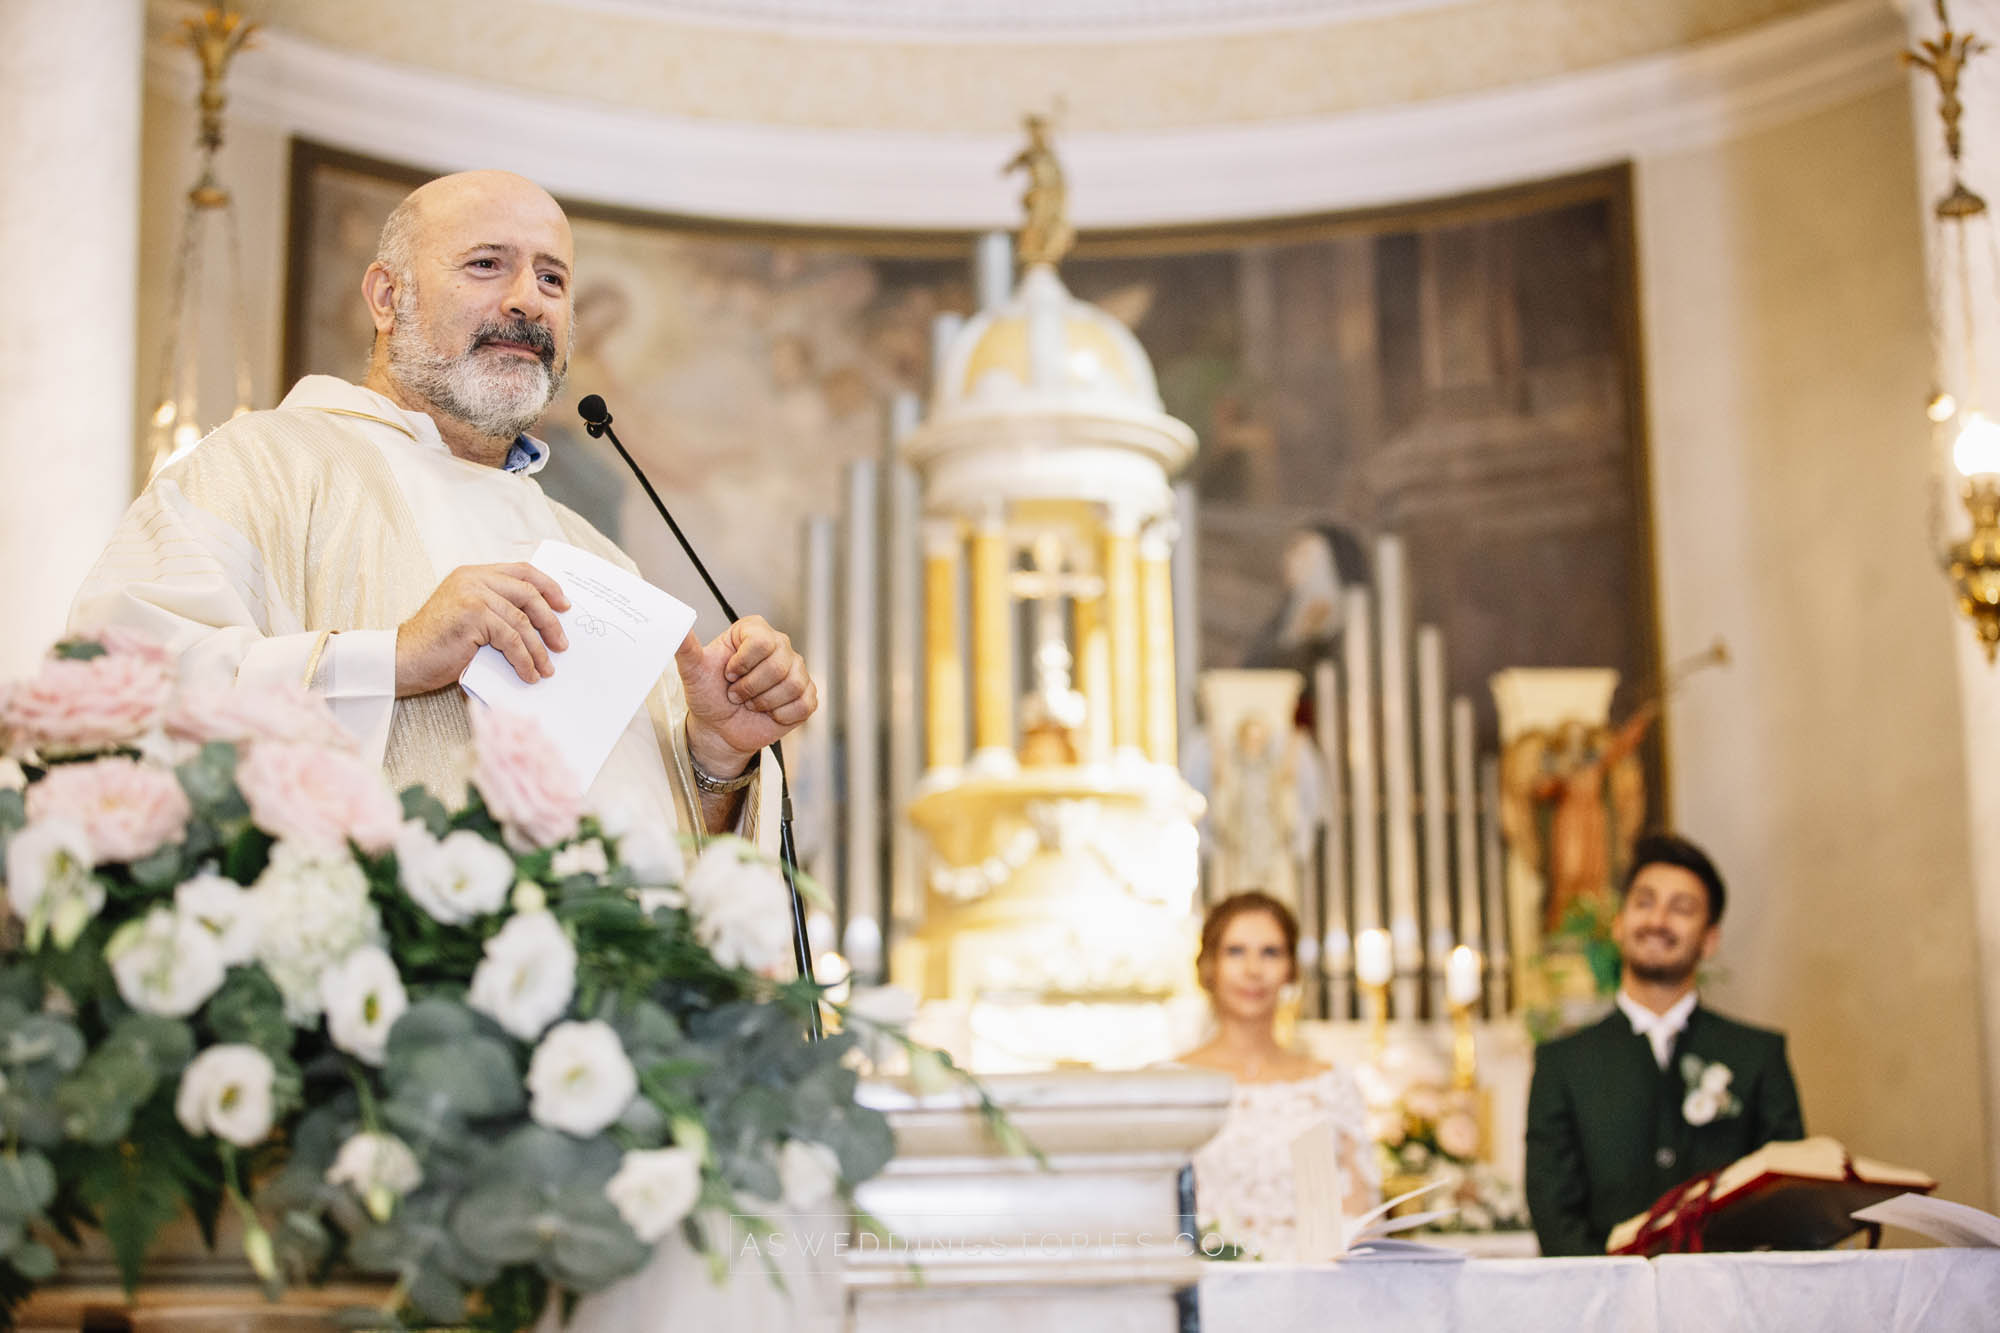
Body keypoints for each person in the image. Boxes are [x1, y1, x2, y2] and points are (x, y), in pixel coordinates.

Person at [69, 170, 814, 844]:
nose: (528, 298)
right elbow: (111, 701)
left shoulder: (599, 557)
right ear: (387, 297)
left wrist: (716, 756)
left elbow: (655, 851)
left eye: (552, 278)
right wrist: (391, 658)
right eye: (488, 264)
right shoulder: (260, 467)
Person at [1524, 833, 1804, 1255]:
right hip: (1606, 1306)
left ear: (1710, 939)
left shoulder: (1758, 1055)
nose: (1658, 920)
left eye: (1681, 908)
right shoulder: (1562, 1064)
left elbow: (1787, 1196)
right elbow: (1553, 1209)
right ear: (1619, 925)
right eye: (1644, 902)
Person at [1181, 892, 1379, 1258]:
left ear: (1290, 969)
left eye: (1270, 952)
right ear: (1209, 966)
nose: (1253, 969)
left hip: (1312, 1288)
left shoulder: (1327, 1085)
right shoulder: (1169, 1085)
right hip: (1208, 1286)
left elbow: (1359, 1214)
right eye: (1236, 951)